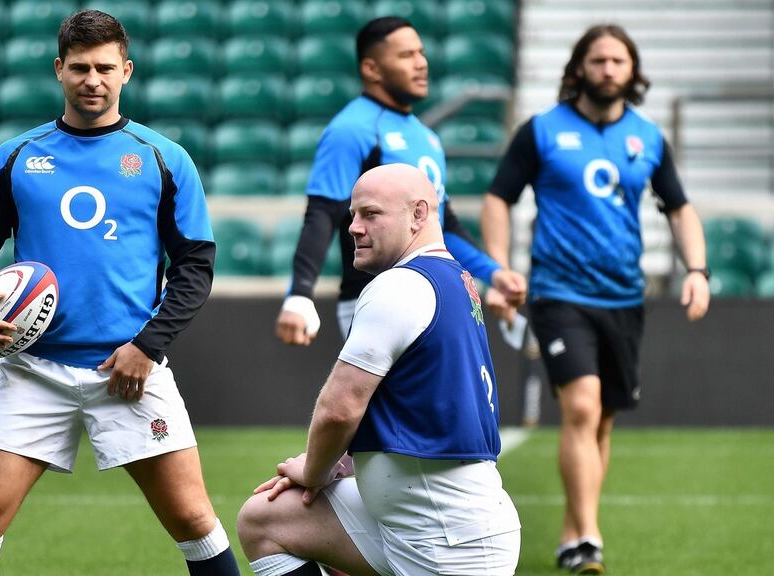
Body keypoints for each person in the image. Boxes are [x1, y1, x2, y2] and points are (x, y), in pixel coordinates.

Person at [0, 9, 239, 576]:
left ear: (126, 70)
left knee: (194, 518)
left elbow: (195, 266)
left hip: (129, 371)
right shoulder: (16, 156)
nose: (92, 80)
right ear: (59, 70)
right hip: (33, 370)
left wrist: (148, 347)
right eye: (79, 68)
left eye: (105, 68)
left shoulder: (163, 158)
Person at [480, 24, 710, 575]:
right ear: (578, 67)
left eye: (618, 61)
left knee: (601, 420)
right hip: (559, 293)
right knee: (580, 407)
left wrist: (697, 269)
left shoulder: (648, 138)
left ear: (632, 72)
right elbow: (497, 199)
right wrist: (499, 271)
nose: (608, 69)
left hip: (623, 298)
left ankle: (574, 525)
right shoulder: (541, 131)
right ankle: (586, 537)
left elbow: (679, 207)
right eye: (598, 59)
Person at [238, 164, 522, 576]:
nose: (353, 227)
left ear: (418, 215)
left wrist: (314, 471)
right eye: (352, 215)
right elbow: (414, 407)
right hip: (429, 528)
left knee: (275, 512)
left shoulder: (400, 286)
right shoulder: (453, 278)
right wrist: (344, 463)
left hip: (448, 544)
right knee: (266, 519)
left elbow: (340, 408)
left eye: (370, 214)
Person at [275, 16, 526, 347]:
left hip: (431, 293)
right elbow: (322, 213)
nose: (421, 63)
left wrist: (494, 273)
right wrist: (300, 295)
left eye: (421, 53)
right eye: (406, 55)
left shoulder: (428, 138)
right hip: (376, 297)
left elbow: (444, 225)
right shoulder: (351, 129)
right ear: (372, 69)